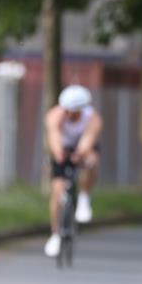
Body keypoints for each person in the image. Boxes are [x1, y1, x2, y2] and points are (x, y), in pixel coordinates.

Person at [43, 85, 102, 257]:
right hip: (63, 147)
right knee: (57, 191)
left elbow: (88, 139)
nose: (70, 115)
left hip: (83, 147)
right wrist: (59, 154)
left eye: (75, 112)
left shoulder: (93, 118)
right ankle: (55, 234)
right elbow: (53, 137)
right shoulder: (54, 115)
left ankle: (84, 198)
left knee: (92, 161)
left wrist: (81, 154)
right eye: (67, 110)